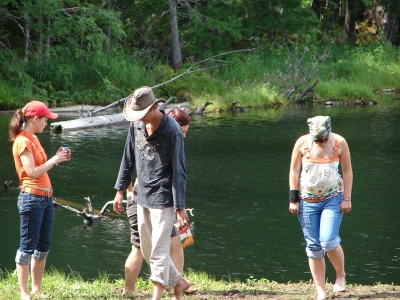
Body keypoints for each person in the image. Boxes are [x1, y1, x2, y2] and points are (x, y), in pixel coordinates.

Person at [113, 87, 191, 300]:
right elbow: (127, 158)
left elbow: (179, 170)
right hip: (141, 196)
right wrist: (120, 190)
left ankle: (156, 297)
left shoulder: (172, 130)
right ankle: (179, 282)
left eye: (143, 114)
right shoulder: (136, 124)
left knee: (158, 251)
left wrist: (180, 207)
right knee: (147, 249)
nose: (139, 118)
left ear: (155, 108)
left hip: (164, 198)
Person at [9, 101, 71, 300]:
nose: (47, 123)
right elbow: (31, 172)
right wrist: (54, 160)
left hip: (45, 199)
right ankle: (24, 293)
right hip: (31, 198)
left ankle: (37, 288)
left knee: (43, 246)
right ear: (35, 119)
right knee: (27, 246)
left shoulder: (34, 138)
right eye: (45, 119)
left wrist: (58, 157)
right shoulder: (22, 140)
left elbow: (42, 166)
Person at [288, 116, 353, 300]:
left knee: (328, 240)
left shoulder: (339, 142)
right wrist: (293, 199)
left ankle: (340, 276)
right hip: (307, 201)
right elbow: (294, 171)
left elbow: (347, 171)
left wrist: (347, 198)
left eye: (324, 138)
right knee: (313, 246)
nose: (322, 142)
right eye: (318, 139)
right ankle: (320, 290)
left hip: (333, 199)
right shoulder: (302, 143)